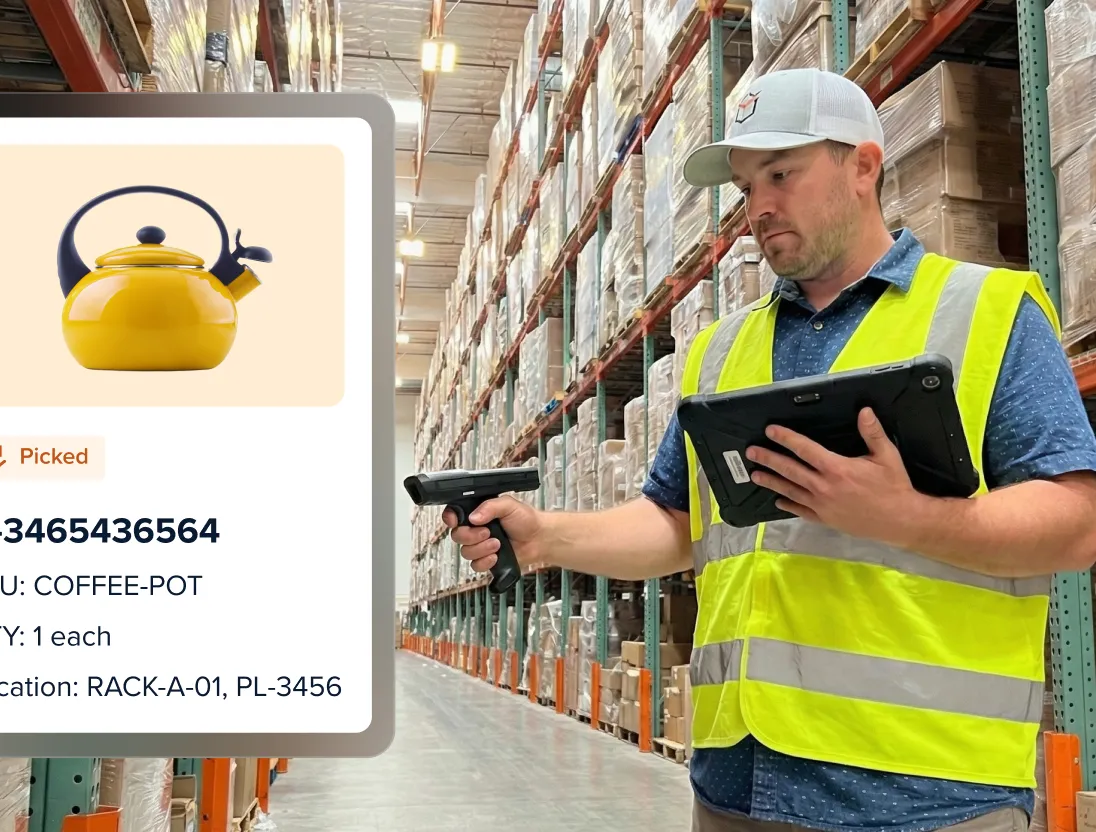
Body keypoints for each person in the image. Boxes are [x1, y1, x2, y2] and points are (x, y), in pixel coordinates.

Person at [446, 67, 1096, 832]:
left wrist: (907, 517)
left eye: (781, 174)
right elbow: (675, 520)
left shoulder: (988, 314)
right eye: (747, 185)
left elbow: (1075, 523)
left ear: (863, 165)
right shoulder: (720, 352)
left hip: (925, 797)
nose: (758, 206)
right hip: (735, 786)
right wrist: (547, 535)